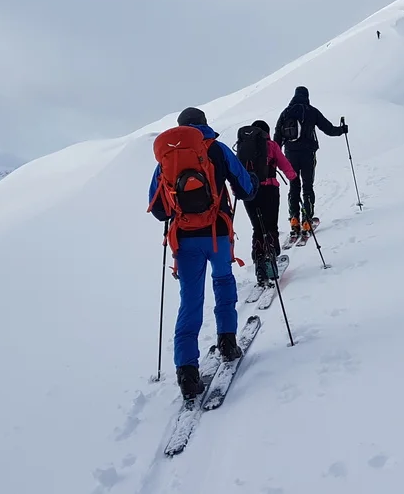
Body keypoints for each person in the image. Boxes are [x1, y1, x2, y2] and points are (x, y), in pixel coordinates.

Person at [148, 106, 258, 400]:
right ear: (205, 125)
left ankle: (186, 370)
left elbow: (158, 210)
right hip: (217, 234)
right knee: (223, 282)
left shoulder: (167, 160)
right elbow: (246, 189)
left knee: (190, 300)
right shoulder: (218, 150)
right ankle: (227, 342)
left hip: (184, 239)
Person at [272, 86, 348, 239]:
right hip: (307, 154)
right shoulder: (311, 111)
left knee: (294, 186)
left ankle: (294, 220)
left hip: (290, 155)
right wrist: (342, 130)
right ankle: (307, 221)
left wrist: (276, 156)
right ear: (307, 96)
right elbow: (328, 129)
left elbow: (277, 137)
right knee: (307, 186)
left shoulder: (285, 113)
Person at [235, 120, 297, 288]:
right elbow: (285, 164)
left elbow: (236, 170)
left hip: (249, 192)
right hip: (269, 189)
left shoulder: (243, 147)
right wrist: (293, 178)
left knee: (257, 227)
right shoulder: (271, 145)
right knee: (270, 226)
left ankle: (259, 266)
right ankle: (271, 263)